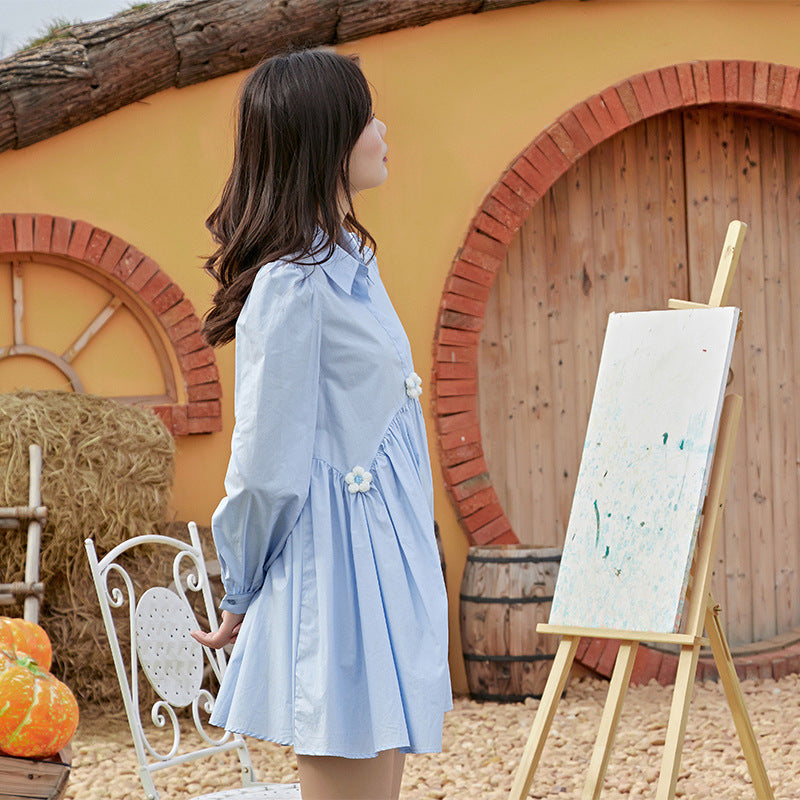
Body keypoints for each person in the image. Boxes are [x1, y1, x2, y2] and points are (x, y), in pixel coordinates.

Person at [191, 49, 452, 800]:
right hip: (342, 580)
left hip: (381, 570)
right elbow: (264, 462)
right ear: (326, 137)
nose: (382, 130)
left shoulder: (349, 268)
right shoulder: (293, 285)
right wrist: (241, 583)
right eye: (365, 115)